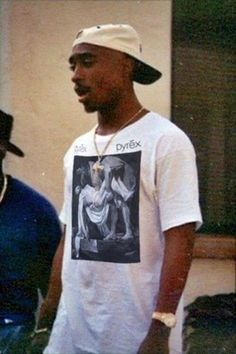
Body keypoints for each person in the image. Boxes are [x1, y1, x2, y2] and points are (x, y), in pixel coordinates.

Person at [38, 24, 202, 354]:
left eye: (87, 62)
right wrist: (49, 315)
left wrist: (160, 327)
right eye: (73, 65)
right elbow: (69, 238)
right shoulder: (78, 149)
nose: (75, 75)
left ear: (126, 64)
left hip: (135, 333)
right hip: (73, 332)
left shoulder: (166, 141)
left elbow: (181, 239)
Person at [0, 110, 62, 353]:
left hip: (11, 330)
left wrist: (44, 335)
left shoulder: (35, 210)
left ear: (2, 150)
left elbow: (54, 288)